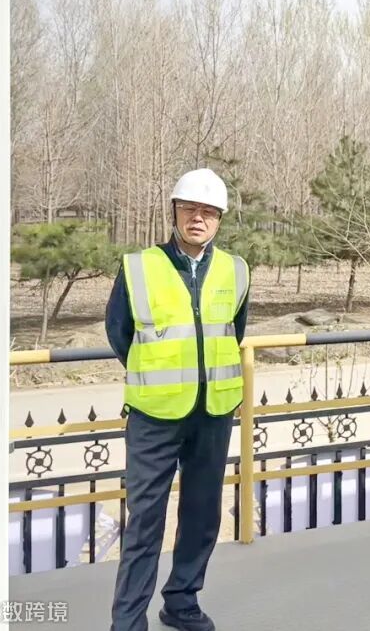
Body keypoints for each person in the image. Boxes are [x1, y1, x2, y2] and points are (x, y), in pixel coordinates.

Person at [106, 168, 250, 631]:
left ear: (220, 219)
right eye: (189, 208)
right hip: (155, 415)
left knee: (202, 514)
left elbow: (234, 331)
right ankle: (129, 620)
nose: (198, 218)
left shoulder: (236, 270)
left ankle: (182, 601)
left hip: (213, 412)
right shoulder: (139, 267)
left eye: (208, 211)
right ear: (174, 212)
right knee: (145, 520)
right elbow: (119, 333)